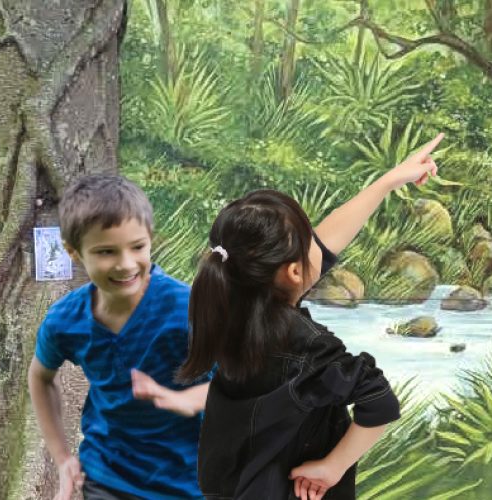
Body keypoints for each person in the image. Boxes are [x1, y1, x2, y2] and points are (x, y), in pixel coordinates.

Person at [144, 134, 443, 499]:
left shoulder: (226, 305)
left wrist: (388, 182)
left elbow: (322, 245)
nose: (319, 244)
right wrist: (332, 467)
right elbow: (380, 402)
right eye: (307, 241)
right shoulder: (308, 346)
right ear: (294, 272)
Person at [28, 175, 211, 500]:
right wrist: (63, 458)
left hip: (187, 484)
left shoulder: (189, 308)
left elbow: (238, 384)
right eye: (106, 252)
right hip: (106, 479)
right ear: (73, 253)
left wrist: (185, 401)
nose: (125, 264)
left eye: (137, 247)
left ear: (150, 238)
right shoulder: (65, 320)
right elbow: (40, 377)